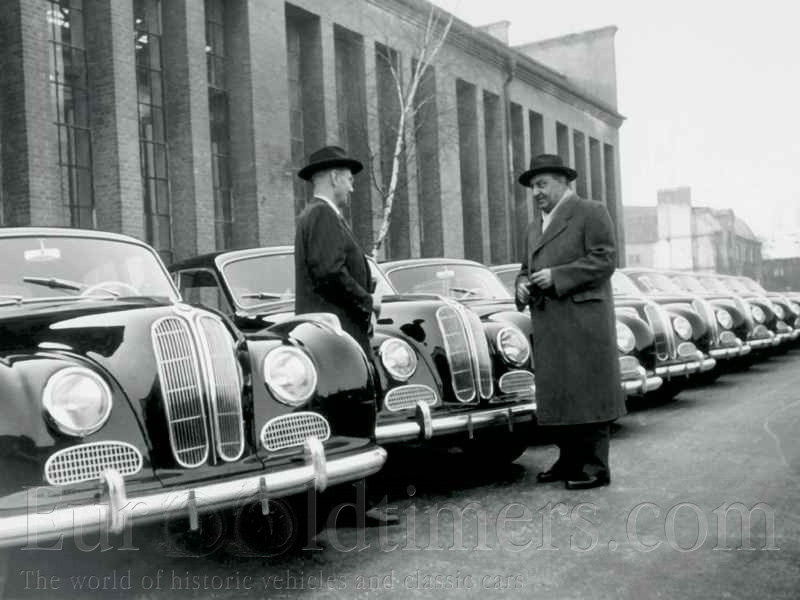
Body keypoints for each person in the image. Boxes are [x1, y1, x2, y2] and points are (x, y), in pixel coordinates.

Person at [294, 145, 397, 525]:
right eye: (350, 179)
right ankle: (354, 507)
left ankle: (350, 505)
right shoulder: (323, 215)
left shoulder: (317, 215)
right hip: (337, 338)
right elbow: (330, 273)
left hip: (333, 334)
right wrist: (368, 301)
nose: (352, 186)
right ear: (335, 177)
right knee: (351, 417)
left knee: (343, 417)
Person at [515, 154, 626, 490]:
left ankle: (595, 466)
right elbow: (525, 269)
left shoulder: (591, 212)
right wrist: (522, 284)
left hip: (583, 321)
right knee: (561, 395)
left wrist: (558, 276)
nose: (536, 192)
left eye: (542, 184)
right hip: (550, 323)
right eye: (533, 187)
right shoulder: (534, 227)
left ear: (564, 182)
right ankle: (569, 460)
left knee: (588, 392)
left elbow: (605, 259)